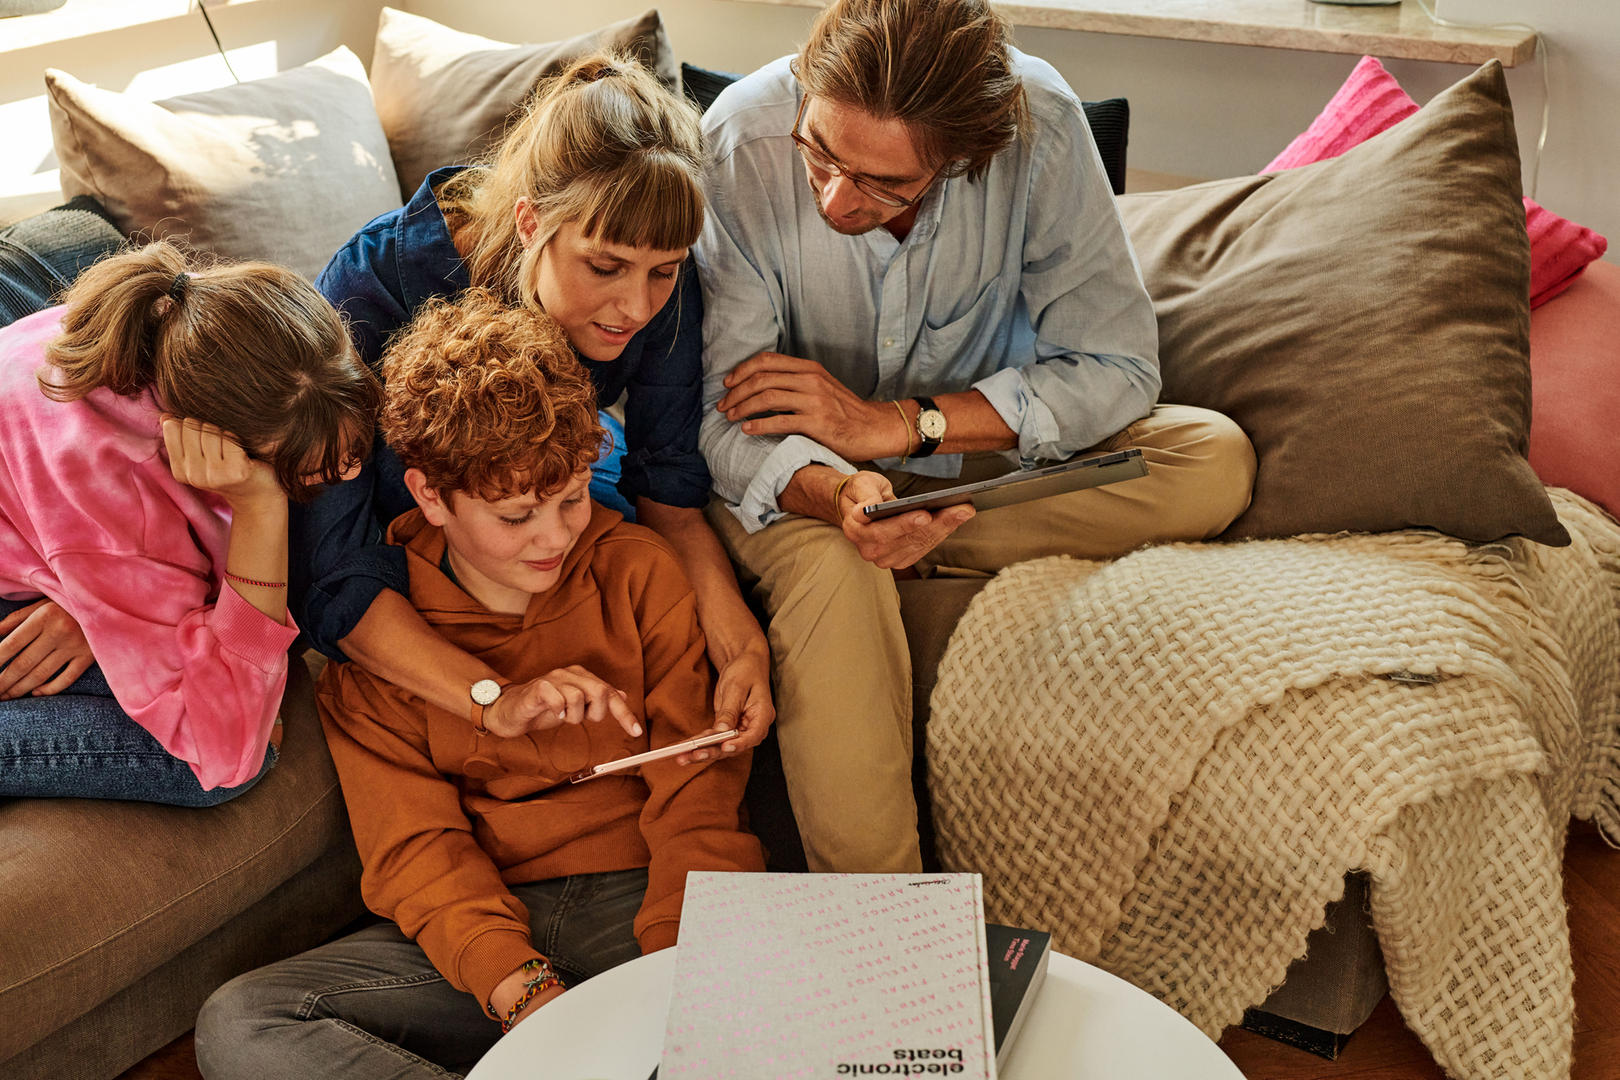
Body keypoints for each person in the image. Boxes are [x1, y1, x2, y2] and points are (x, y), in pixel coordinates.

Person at [695, 0, 1259, 872]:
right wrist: (842, 493)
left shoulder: (1044, 129)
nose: (836, 198)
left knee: (1211, 457)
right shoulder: (741, 138)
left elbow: (1116, 367)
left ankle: (913, 543)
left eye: (885, 184)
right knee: (840, 565)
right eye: (821, 153)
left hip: (963, 462)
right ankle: (892, 934)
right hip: (803, 487)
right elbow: (717, 416)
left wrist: (893, 427)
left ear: (965, 158)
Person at [195, 289, 764, 1078]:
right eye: (517, 516)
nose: (555, 536)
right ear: (430, 495)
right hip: (484, 935)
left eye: (571, 499)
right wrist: (522, 991)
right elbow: (415, 849)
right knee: (243, 1022)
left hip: (647, 901)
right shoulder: (380, 644)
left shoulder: (639, 571)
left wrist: (681, 978)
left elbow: (698, 796)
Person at [301, 53, 772, 761]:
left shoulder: (657, 278)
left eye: (664, 273)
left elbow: (668, 487)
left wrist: (742, 648)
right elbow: (332, 568)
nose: (637, 307)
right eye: (605, 267)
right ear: (529, 223)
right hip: (404, 563)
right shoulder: (368, 292)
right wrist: (490, 699)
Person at [0, 241, 378, 805]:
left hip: (52, 527)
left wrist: (91, 604)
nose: (350, 473)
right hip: (67, 535)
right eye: (306, 467)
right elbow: (222, 747)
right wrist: (261, 509)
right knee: (216, 765)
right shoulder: (116, 492)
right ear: (208, 439)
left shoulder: (170, 329)